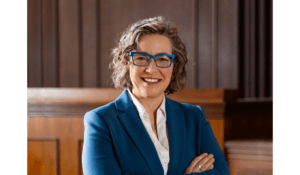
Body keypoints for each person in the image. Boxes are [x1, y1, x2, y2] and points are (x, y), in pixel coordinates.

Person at [82, 16, 229, 175]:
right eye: (142, 58)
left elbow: (221, 172)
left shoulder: (194, 118)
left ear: (174, 66)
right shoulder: (101, 121)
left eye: (162, 59)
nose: (151, 69)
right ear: (127, 63)